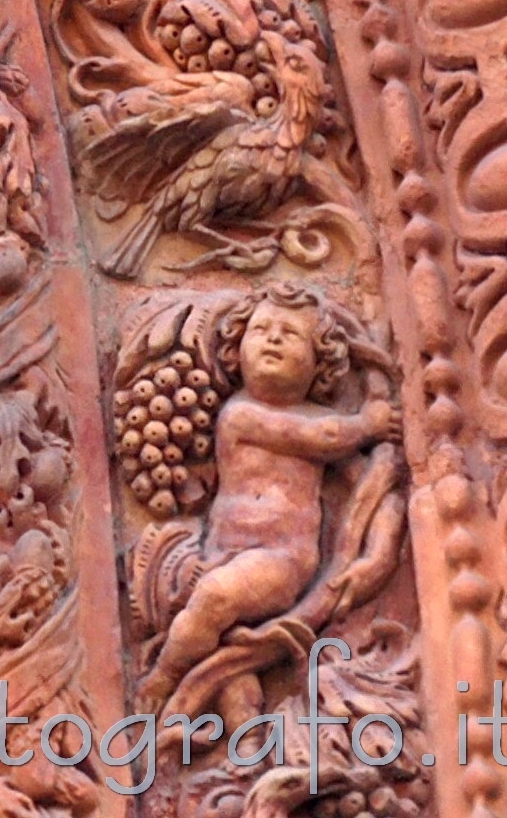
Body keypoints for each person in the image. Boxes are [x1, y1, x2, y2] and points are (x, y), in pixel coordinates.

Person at [140, 290, 394, 717]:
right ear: (236, 351)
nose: (272, 339)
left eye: (290, 334)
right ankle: (246, 734)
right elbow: (323, 438)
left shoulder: (320, 421)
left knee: (215, 599)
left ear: (321, 363)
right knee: (231, 656)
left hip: (280, 560)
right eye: (260, 330)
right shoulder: (240, 415)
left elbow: (370, 486)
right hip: (221, 554)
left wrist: (378, 552)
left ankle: (164, 674)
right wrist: (368, 423)